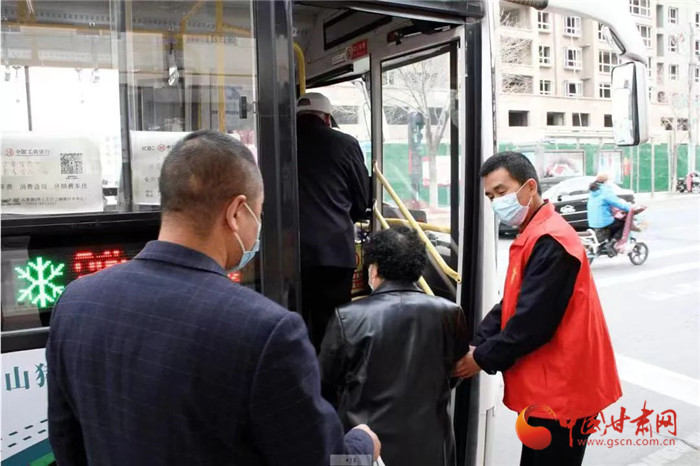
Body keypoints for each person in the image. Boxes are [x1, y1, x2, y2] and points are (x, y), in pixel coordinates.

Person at [47, 130, 380, 466]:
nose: (258, 227)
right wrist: (363, 445)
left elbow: (66, 444)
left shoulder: (77, 302)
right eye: (259, 213)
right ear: (236, 212)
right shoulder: (268, 332)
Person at [454, 152, 622, 466]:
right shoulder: (535, 232)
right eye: (490, 196)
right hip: (551, 390)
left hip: (565, 392)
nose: (496, 202)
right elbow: (511, 303)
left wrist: (479, 358)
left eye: (501, 192)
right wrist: (475, 342)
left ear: (530, 187)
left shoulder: (552, 240)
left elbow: (531, 323)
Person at [319, 227, 469, 466]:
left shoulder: (347, 317)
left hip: (363, 448)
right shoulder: (451, 313)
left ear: (375, 269)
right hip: (430, 447)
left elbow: (325, 384)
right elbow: (455, 373)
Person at [296, 92, 371, 352]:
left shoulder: (279, 143)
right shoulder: (346, 143)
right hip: (335, 251)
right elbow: (361, 198)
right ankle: (328, 374)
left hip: (289, 253)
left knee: (296, 319)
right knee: (333, 324)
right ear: (327, 118)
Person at [587, 172, 630, 244]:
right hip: (603, 221)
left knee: (612, 225)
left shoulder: (594, 191)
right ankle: (612, 243)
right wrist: (629, 208)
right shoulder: (605, 191)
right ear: (605, 181)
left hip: (593, 221)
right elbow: (617, 202)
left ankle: (609, 242)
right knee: (624, 224)